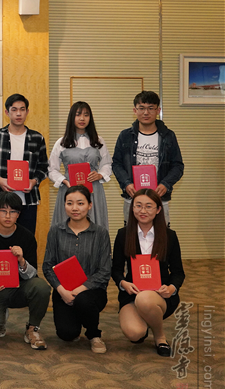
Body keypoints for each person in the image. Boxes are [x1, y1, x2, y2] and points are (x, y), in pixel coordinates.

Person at [0, 192, 51, 349]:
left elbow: (32, 274)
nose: (8, 216)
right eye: (3, 211)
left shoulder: (26, 236)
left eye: (13, 212)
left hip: (19, 289)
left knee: (41, 287)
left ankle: (32, 328)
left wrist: (21, 260)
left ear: (18, 214)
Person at [112, 189, 185, 357]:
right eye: (138, 206)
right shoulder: (123, 234)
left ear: (158, 209)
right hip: (132, 293)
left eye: (148, 206)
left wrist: (171, 288)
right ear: (132, 208)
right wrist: (123, 283)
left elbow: (178, 272)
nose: (142, 211)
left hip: (160, 294)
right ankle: (146, 318)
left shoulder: (169, 236)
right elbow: (116, 269)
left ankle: (160, 336)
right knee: (135, 334)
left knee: (144, 299)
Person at [42, 185, 112, 354]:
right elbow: (47, 265)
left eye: (80, 203)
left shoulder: (100, 233)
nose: (74, 208)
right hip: (63, 291)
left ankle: (94, 334)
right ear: (64, 205)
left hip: (92, 291)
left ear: (90, 205)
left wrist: (80, 289)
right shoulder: (56, 231)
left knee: (83, 301)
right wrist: (61, 290)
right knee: (67, 334)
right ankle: (77, 320)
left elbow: (105, 270)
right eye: (69, 203)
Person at [112, 90, 184, 224]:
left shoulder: (168, 136)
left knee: (161, 234)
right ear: (135, 110)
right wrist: (126, 183)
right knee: (131, 234)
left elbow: (177, 166)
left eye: (151, 108)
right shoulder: (125, 136)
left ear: (158, 110)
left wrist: (165, 184)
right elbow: (116, 164)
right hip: (133, 198)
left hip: (159, 198)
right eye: (142, 108)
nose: (146, 112)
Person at [0, 93, 48, 235]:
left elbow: (44, 166)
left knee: (27, 239)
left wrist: (34, 181)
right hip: (3, 200)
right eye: (14, 109)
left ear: (27, 112)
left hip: (28, 201)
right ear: (7, 112)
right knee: (2, 239)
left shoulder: (37, 138)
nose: (18, 113)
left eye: (22, 109)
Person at [48, 101, 112, 230]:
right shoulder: (62, 142)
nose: (82, 118)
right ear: (72, 117)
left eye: (86, 115)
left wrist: (100, 175)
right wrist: (64, 181)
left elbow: (107, 163)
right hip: (69, 189)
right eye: (78, 114)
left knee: (95, 226)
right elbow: (51, 169)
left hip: (93, 189)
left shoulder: (98, 141)